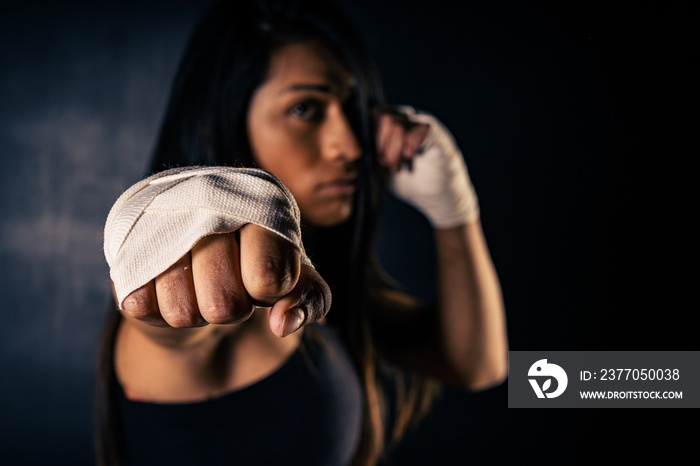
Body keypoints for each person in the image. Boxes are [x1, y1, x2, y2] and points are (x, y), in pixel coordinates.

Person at [95, 0, 508, 465]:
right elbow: (167, 325)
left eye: (353, 109)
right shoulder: (211, 309)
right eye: (305, 108)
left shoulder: (314, 286)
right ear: (226, 121)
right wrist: (164, 240)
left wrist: (453, 206)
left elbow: (477, 363)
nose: (350, 147)